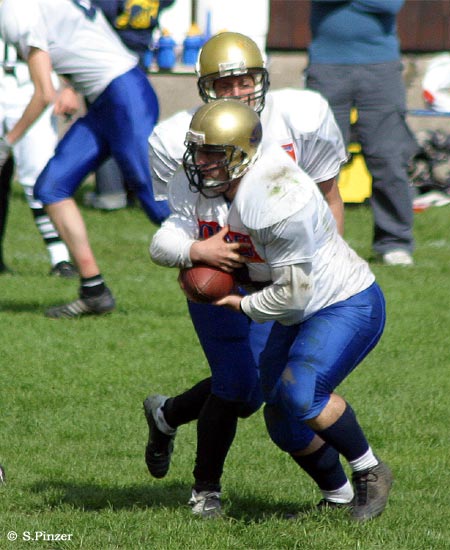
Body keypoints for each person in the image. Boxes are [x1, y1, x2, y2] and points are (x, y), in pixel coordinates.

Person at [152, 98, 393, 521]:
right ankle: (337, 498)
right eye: (197, 150)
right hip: (296, 310)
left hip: (342, 302)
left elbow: (294, 293)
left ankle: (370, 471)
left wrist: (240, 302)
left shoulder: (277, 197)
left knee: (302, 393)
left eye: (212, 152)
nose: (200, 161)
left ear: (242, 154)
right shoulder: (210, 184)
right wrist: (194, 253)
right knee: (283, 422)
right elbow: (163, 242)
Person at [144, 32, 347, 517]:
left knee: (261, 390)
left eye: (244, 80)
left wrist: (322, 268)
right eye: (223, 83)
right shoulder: (175, 137)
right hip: (220, 272)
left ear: (263, 78)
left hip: (279, 270)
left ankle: (168, 413)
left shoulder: (303, 115)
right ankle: (206, 490)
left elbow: (329, 196)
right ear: (204, 87)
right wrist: (195, 254)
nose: (236, 92)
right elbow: (180, 222)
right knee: (236, 385)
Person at [0, 0, 170, 318]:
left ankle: (239, 265)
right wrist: (70, 85)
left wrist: (6, 143)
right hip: (108, 97)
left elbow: (43, 93)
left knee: (156, 202)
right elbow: (74, 44)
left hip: (123, 94)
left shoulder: (17, 9)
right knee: (51, 186)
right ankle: (94, 292)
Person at [305, 0, 417, 266]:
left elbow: (390, 5)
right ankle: (313, 240)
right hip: (326, 67)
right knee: (319, 162)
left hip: (382, 69)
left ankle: (394, 243)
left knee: (388, 157)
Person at [86, 0, 175, 212]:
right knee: (135, 129)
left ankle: (111, 193)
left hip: (108, 66)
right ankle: (137, 191)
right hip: (138, 63)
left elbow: (94, 15)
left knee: (107, 127)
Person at [0, 39, 78, 277]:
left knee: (40, 177)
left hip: (32, 84)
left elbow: (63, 36)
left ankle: (60, 259)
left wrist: (69, 85)